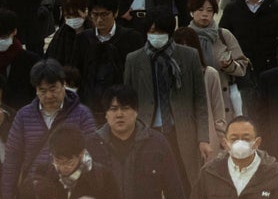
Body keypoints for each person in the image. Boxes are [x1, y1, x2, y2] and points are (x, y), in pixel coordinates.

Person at [122, 11, 210, 184]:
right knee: (149, 183)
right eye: (152, 32)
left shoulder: (189, 56)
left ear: (169, 32)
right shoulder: (134, 59)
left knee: (183, 182)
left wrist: (203, 138)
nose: (155, 36)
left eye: (160, 32)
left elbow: (200, 101)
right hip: (147, 130)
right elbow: (128, 100)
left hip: (181, 130)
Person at [1, 59, 97, 198]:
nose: (49, 96)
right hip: (34, 191)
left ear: (64, 84)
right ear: (36, 90)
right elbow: (12, 158)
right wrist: (7, 195)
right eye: (43, 90)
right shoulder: (23, 116)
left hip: (71, 190)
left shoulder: (82, 114)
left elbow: (93, 155)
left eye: (53, 89)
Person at [94, 84, 186, 198]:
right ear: (106, 114)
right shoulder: (92, 145)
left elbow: (175, 190)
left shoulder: (157, 143)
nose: (119, 114)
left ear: (136, 111)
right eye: (113, 109)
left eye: (125, 108)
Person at [188, 114, 278, 199]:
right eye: (234, 139)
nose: (240, 142)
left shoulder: (273, 173)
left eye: (246, 138)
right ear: (225, 143)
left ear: (257, 142)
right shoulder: (210, 173)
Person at [25, 123, 123, 198]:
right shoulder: (43, 173)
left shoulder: (103, 177)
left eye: (69, 162)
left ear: (81, 154)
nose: (62, 167)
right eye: (57, 161)